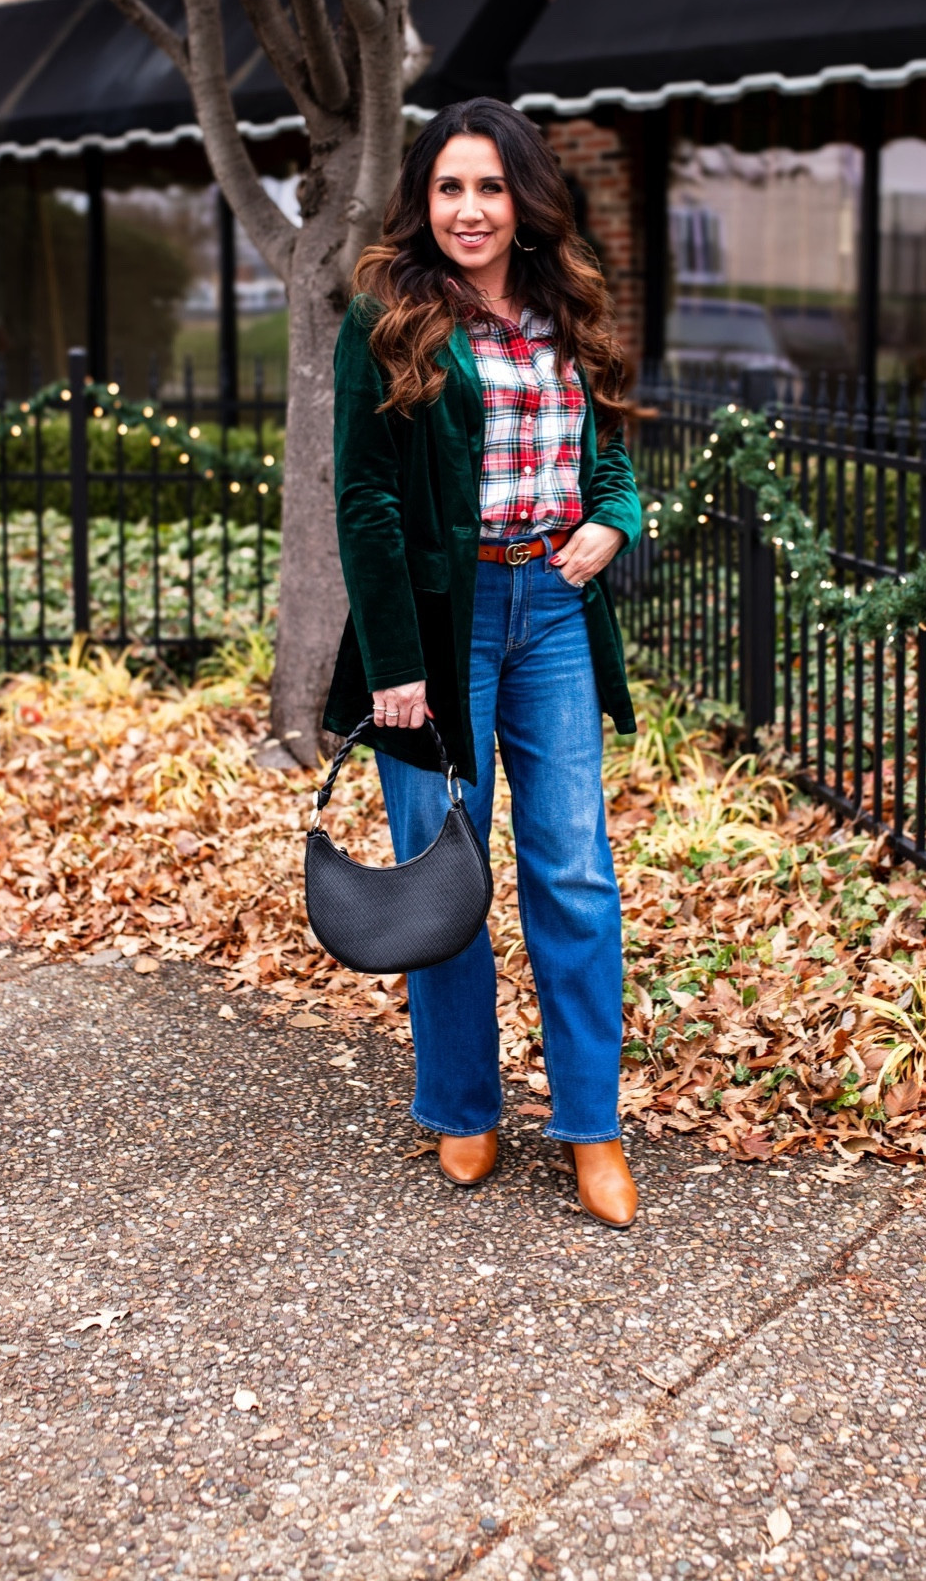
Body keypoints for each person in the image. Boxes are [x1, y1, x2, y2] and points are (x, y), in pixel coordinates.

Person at [323, 97, 643, 1229]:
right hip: (435, 624)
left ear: (524, 200)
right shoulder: (387, 316)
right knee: (441, 868)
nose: (469, 208)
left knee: (575, 871)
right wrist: (395, 662)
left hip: (551, 606)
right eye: (449, 187)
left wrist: (618, 517)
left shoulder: (568, 304)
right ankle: (463, 1102)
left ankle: (592, 1124)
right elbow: (361, 496)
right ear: (424, 199)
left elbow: (604, 451)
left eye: (490, 187)